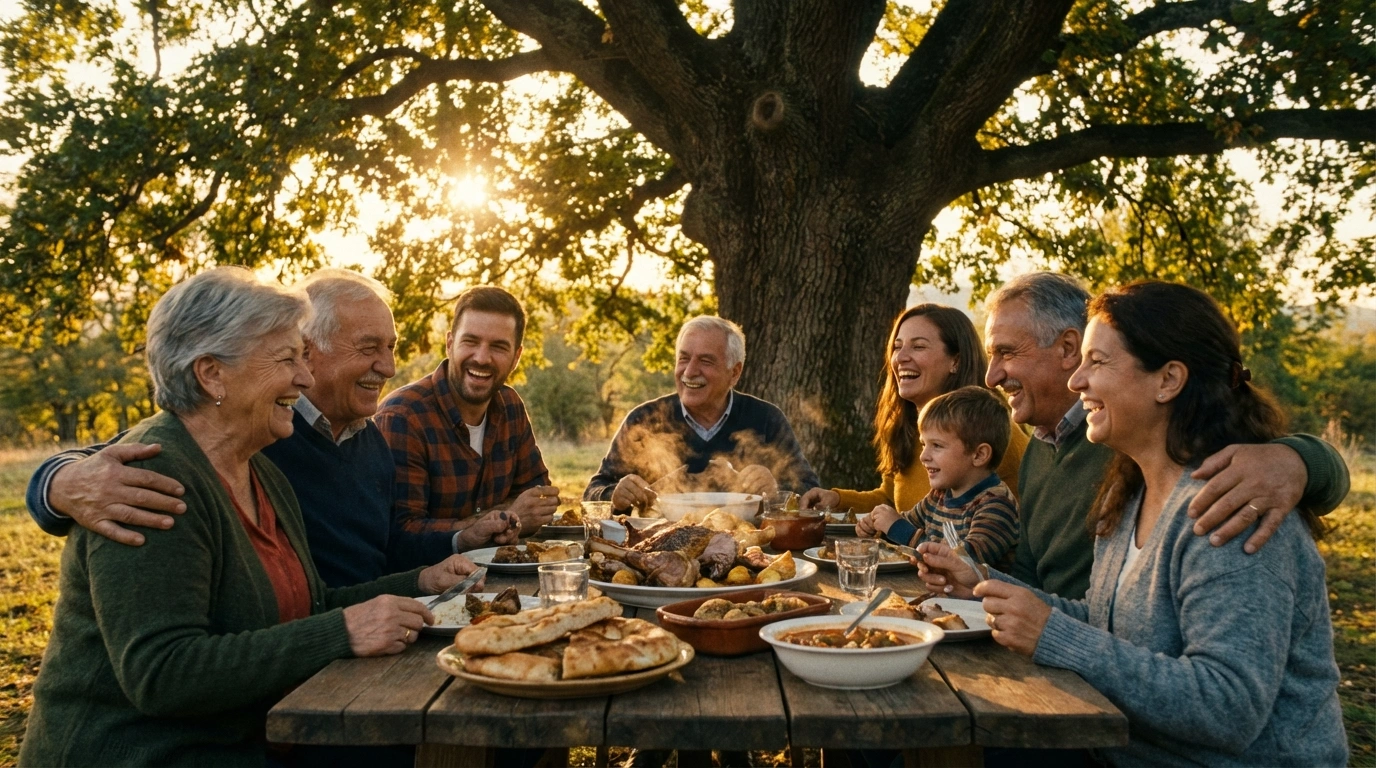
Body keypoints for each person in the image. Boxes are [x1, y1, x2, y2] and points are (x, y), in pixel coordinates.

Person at [18, 267, 483, 767]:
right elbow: (162, 674)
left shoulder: (260, 469)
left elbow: (311, 603)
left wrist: (418, 581)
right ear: (211, 373)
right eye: (287, 359)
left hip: (246, 737)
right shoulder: (148, 478)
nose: (302, 378)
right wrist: (56, 483)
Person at [918, 281, 1347, 766]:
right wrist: (981, 582)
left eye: (1096, 362)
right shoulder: (1128, 494)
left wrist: (1055, 637)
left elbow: (1227, 708)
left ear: (1168, 380)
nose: (1077, 383)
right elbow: (1108, 623)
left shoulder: (1232, 510)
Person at [23, 268, 513, 587]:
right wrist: (59, 484)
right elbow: (125, 455)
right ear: (308, 349)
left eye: (391, 346)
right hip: (300, 655)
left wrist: (460, 541)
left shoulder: (369, 441)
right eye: (368, 348)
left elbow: (386, 548)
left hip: (359, 635)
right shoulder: (253, 427)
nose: (388, 367)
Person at [981, 272, 1349, 599]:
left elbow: (1220, 673)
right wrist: (980, 584)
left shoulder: (1151, 447)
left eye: (1006, 353)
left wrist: (1297, 460)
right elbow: (1059, 597)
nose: (992, 376)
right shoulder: (1050, 452)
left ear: (1067, 348)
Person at [800, 304, 1029, 515]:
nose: (901, 357)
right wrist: (837, 499)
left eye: (918, 346)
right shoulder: (907, 427)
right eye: (897, 347)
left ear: (955, 361)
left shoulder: (996, 433)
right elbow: (892, 500)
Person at [375, 286, 558, 545]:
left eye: (498, 347)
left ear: (516, 356)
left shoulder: (510, 405)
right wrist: (509, 516)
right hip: (428, 583)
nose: (482, 358)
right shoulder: (403, 416)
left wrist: (502, 518)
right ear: (450, 344)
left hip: (503, 575)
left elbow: (539, 499)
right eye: (470, 342)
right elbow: (401, 533)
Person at [583, 315, 820, 511]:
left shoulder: (766, 419)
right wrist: (615, 494)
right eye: (684, 358)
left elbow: (811, 492)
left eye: (706, 361)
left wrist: (776, 488)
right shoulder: (644, 420)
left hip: (750, 551)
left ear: (734, 373)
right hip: (660, 552)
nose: (690, 371)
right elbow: (593, 492)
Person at [858, 386, 1018, 568]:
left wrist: (897, 528)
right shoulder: (939, 495)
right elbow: (906, 523)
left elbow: (962, 562)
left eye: (937, 446)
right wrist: (877, 526)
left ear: (979, 455)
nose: (923, 456)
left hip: (978, 596)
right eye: (923, 444)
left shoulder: (996, 506)